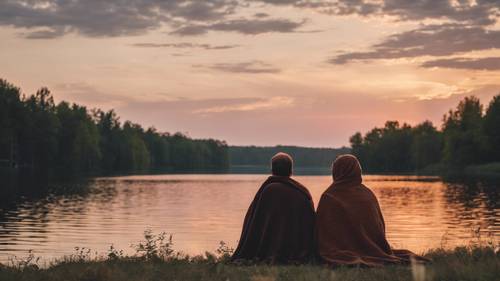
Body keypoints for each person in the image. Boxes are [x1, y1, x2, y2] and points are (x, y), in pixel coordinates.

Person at [316, 154, 429, 267]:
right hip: (374, 248)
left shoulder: (329, 196)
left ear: (337, 172)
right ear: (357, 172)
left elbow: (321, 231)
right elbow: (380, 226)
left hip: (342, 249)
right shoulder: (368, 194)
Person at [231, 152, 315, 264]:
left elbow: (254, 223)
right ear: (291, 171)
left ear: (272, 170)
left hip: (268, 250)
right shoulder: (302, 192)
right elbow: (310, 223)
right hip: (296, 249)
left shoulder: (268, 190)